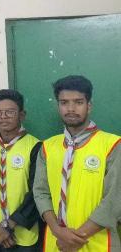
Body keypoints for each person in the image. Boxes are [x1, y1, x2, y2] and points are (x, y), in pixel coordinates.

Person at [33, 75, 121, 251]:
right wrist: (58, 232)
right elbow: (41, 192)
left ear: (89, 105)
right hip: (56, 242)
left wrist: (74, 239)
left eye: (78, 102)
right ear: (58, 106)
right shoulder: (47, 147)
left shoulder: (112, 145)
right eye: (64, 102)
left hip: (98, 243)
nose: (71, 108)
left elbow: (114, 200)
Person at [0, 90, 41, 251]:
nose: (3, 117)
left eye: (10, 112)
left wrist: (10, 225)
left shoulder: (36, 147)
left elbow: (37, 192)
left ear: (22, 115)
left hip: (23, 235)